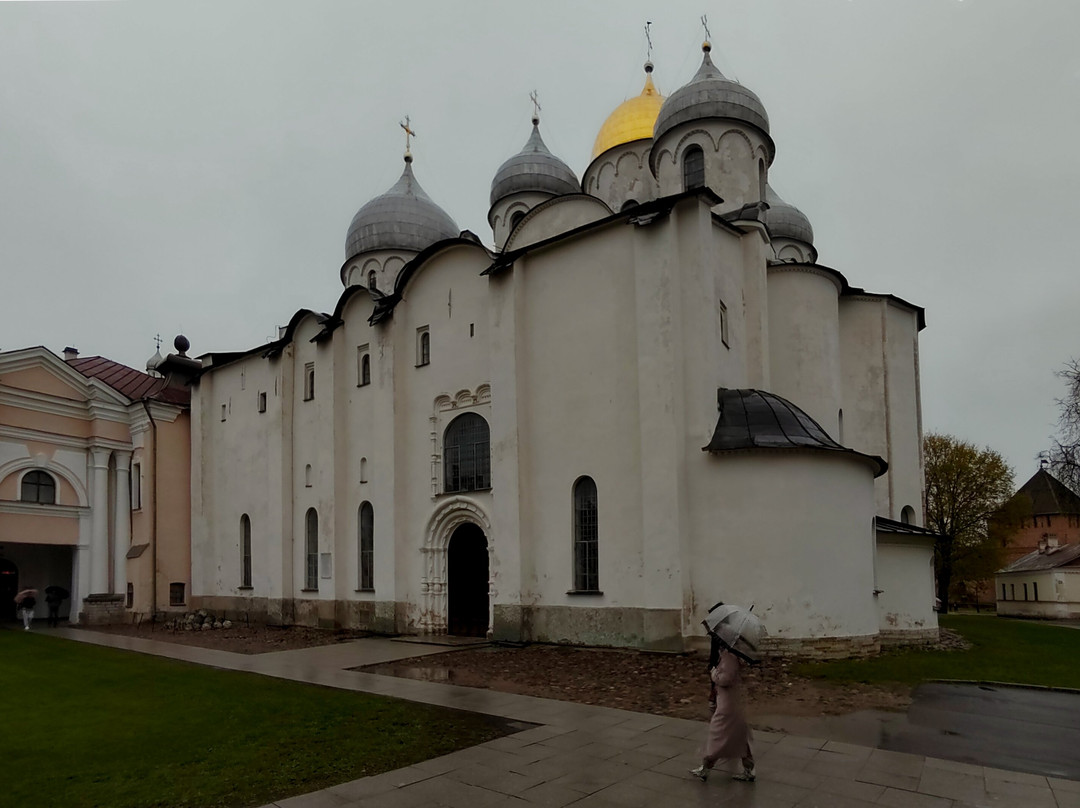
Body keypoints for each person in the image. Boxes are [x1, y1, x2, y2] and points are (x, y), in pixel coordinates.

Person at [689, 638, 755, 783]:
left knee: (717, 733)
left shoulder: (729, 657)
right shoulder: (731, 655)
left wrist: (714, 673)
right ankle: (748, 769)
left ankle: (705, 767)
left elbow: (726, 679)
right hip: (732, 702)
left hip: (728, 705)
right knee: (739, 736)